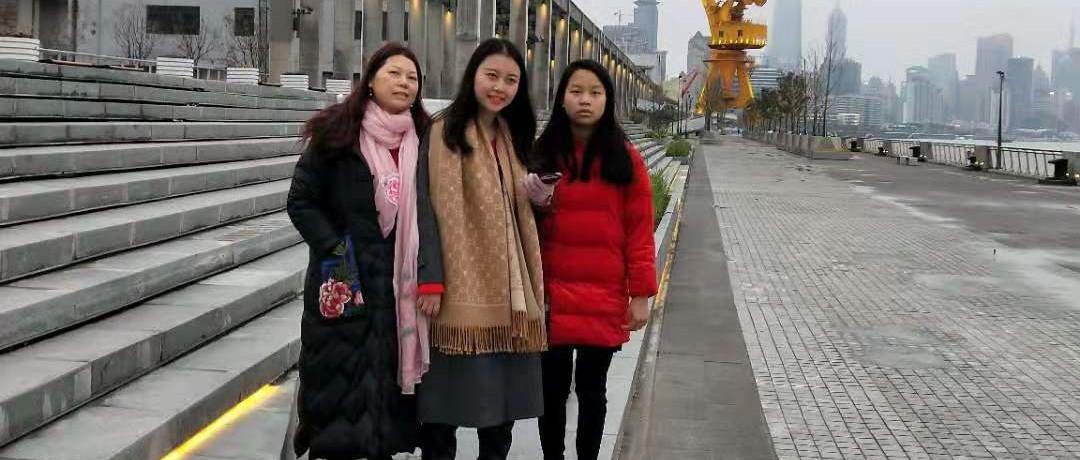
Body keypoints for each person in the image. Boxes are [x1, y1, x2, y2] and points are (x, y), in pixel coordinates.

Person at [285, 42, 443, 460]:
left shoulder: (426, 140)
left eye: (412, 77)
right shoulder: (338, 133)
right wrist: (338, 252)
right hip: (344, 279)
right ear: (370, 79)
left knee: (386, 396)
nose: (404, 83)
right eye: (394, 73)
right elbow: (301, 201)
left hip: (398, 287)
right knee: (338, 385)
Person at [415, 38, 546, 460]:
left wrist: (540, 198)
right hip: (458, 293)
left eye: (510, 80)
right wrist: (431, 277)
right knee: (443, 410)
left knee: (501, 412)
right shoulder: (442, 131)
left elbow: (517, 211)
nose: (500, 87)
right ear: (473, 75)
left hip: (510, 296)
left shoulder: (513, 135)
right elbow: (425, 207)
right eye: (491, 75)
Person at [524, 59, 658, 460]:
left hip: (603, 295)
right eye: (576, 91)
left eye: (595, 93)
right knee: (550, 391)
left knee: (592, 390)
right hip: (551, 295)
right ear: (562, 98)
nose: (585, 100)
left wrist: (640, 294)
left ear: (607, 100)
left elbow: (639, 232)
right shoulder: (542, 154)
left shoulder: (626, 160)